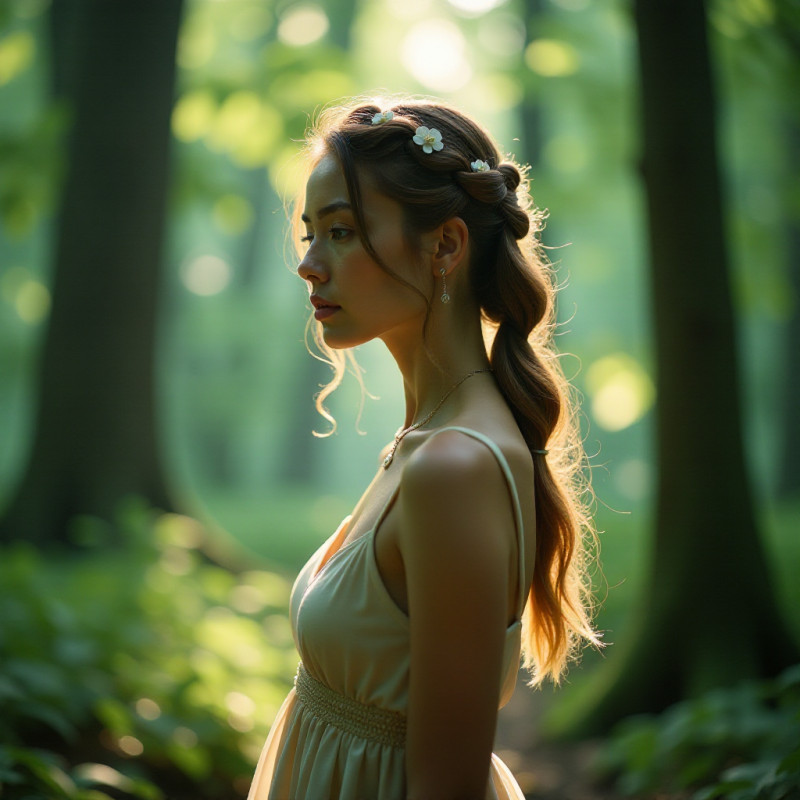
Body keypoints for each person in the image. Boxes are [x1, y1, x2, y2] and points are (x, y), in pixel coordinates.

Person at [247, 97, 601, 800]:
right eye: (309, 235)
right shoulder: (428, 440)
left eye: (342, 232)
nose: (309, 267)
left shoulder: (454, 467)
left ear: (444, 246)